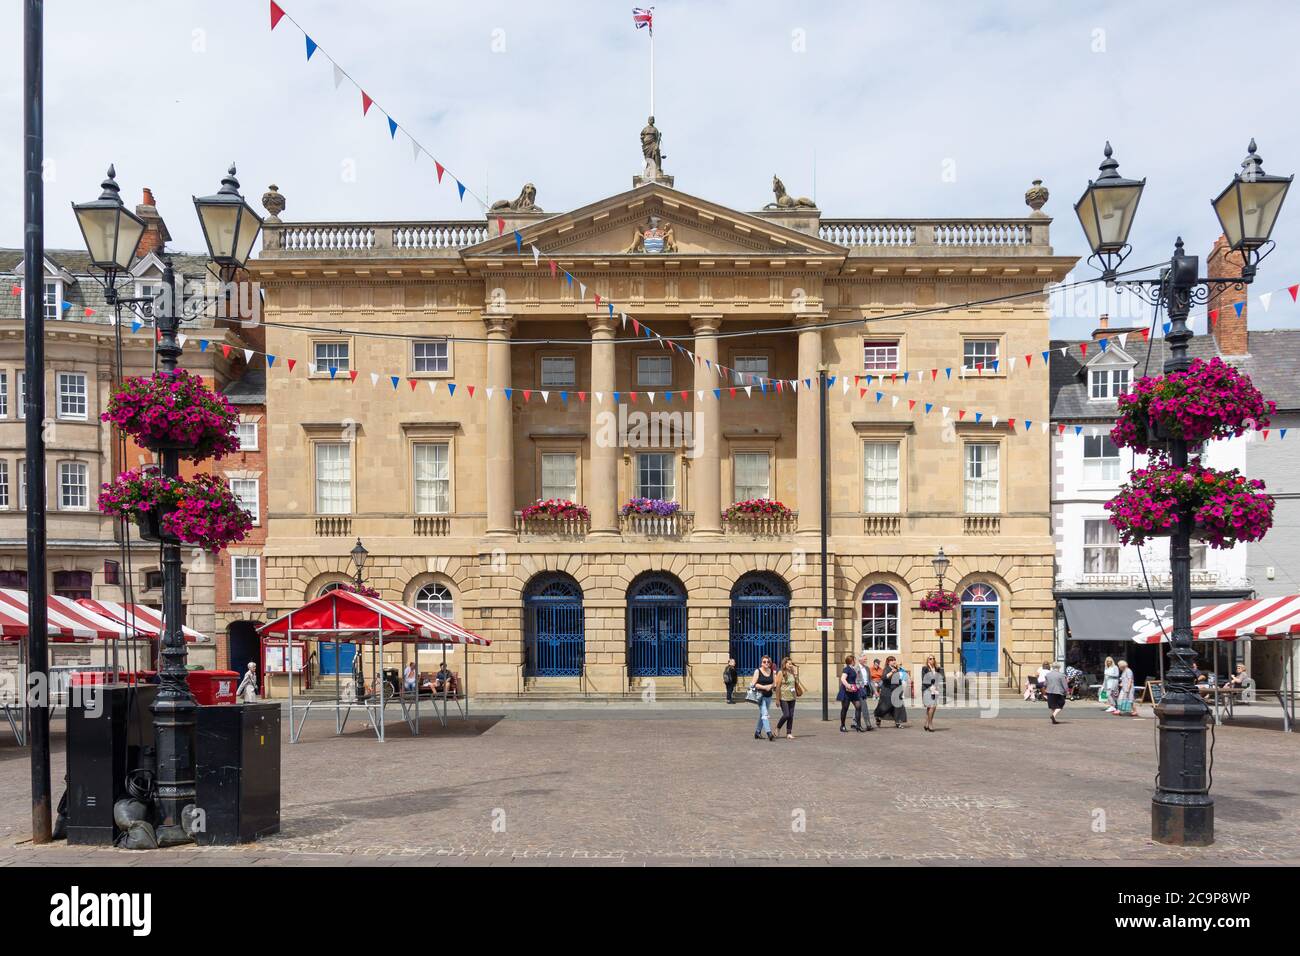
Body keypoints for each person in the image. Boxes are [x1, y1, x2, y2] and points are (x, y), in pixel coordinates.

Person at [876, 656, 907, 728]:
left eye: (894, 660)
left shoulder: (896, 669)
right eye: (892, 660)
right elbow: (884, 678)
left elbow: (899, 679)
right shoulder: (887, 669)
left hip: (896, 690)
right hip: (887, 691)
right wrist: (891, 672)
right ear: (888, 662)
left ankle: (898, 722)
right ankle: (878, 716)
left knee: (898, 706)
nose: (894, 661)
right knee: (885, 707)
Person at [751, 655, 777, 741]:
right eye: (764, 662)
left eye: (768, 662)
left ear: (770, 663)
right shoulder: (757, 671)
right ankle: (769, 733)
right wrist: (764, 687)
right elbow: (754, 684)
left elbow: (775, 683)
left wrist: (771, 685)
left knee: (763, 714)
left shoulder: (772, 671)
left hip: (769, 696)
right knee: (765, 714)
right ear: (761, 663)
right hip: (760, 696)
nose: (766, 663)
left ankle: (757, 732)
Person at [776, 657, 800, 739]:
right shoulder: (781, 673)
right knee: (786, 715)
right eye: (789, 663)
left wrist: (796, 675)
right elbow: (778, 687)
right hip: (783, 697)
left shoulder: (792, 672)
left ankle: (789, 733)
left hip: (792, 697)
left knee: (791, 716)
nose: (790, 665)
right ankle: (778, 728)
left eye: (791, 664)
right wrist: (777, 699)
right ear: (784, 664)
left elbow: (796, 683)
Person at [836, 654, 862, 732]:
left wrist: (857, 686)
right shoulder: (846, 669)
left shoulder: (853, 669)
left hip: (853, 691)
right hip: (846, 692)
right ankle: (842, 726)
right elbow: (843, 679)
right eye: (854, 660)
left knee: (858, 706)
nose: (855, 661)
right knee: (845, 708)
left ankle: (858, 725)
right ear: (851, 661)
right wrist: (848, 686)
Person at [920, 655, 943, 731]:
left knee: (932, 707)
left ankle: (926, 724)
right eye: (930, 659)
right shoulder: (925, 668)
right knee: (931, 706)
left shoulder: (937, 669)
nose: (932, 660)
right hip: (927, 689)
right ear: (927, 660)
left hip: (935, 689)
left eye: (933, 658)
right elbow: (924, 679)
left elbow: (940, 678)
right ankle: (930, 724)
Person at [855, 653, 876, 732]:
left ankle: (855, 722)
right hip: (859, 689)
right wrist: (858, 687)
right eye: (864, 659)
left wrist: (875, 691)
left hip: (866, 689)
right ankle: (868, 724)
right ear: (860, 660)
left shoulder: (867, 668)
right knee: (864, 707)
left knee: (859, 707)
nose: (866, 660)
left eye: (866, 659)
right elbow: (855, 680)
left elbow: (870, 680)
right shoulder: (856, 668)